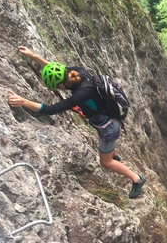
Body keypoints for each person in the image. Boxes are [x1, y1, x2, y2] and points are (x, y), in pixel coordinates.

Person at [8, 46, 146, 198]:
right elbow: (55, 70)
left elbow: (51, 109)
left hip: (108, 128)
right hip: (108, 120)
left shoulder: (80, 94)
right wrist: (33, 55)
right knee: (107, 145)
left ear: (62, 85)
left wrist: (23, 101)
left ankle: (136, 179)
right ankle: (113, 154)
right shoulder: (77, 71)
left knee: (105, 163)